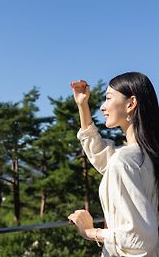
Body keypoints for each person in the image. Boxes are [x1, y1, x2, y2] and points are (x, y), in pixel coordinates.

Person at [68, 72, 159, 256]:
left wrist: (90, 232)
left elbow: (140, 239)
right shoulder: (146, 156)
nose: (102, 107)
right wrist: (82, 105)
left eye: (108, 98)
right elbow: (101, 154)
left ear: (131, 103)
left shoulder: (125, 160)